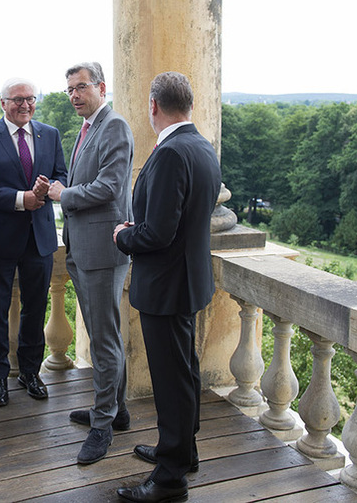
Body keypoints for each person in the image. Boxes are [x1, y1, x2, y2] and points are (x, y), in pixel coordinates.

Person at [112, 72, 221, 503]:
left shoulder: (172, 153)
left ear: (153, 105)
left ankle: (171, 477)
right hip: (188, 281)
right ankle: (181, 449)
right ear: (189, 105)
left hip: (166, 285)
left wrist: (123, 235)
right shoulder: (202, 147)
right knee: (184, 369)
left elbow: (157, 233)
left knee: (172, 378)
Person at [46, 62, 133, 465]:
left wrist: (64, 195)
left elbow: (110, 187)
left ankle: (102, 427)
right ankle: (118, 412)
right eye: (69, 90)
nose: (75, 95)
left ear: (101, 87)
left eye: (81, 87)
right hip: (83, 249)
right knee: (105, 333)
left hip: (102, 250)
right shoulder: (87, 129)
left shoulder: (113, 125)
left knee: (103, 339)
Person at [0, 78, 68, 407]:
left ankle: (30, 372)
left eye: (30, 99)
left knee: (36, 309)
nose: (25, 105)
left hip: (39, 238)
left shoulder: (49, 134)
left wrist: (48, 189)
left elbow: (62, 176)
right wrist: (20, 198)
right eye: (17, 99)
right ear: (3, 103)